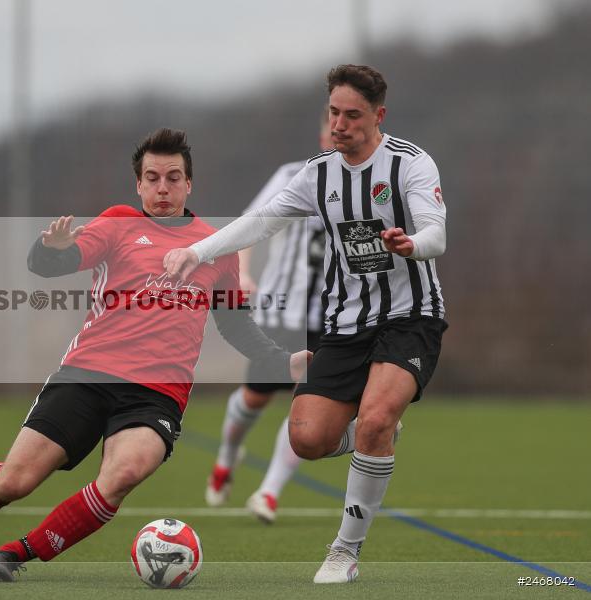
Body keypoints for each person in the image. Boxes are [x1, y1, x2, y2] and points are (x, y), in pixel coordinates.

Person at [0, 128, 310, 582]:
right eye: (152, 178)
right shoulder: (116, 223)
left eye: (173, 178)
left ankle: (14, 554)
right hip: (87, 374)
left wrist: (282, 361)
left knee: (124, 473)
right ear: (139, 184)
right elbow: (54, 263)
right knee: (16, 481)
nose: (163, 188)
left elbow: (235, 325)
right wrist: (48, 249)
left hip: (157, 394)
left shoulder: (216, 246)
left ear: (189, 184)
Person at [164, 65, 448, 584]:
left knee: (378, 417)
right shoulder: (317, 174)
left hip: (410, 318)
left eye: (352, 114)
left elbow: (437, 235)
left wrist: (412, 244)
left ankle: (344, 550)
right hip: (343, 323)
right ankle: (371, 436)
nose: (339, 123)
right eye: (334, 112)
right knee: (307, 439)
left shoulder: (411, 164)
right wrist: (196, 252)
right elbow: (261, 221)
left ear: (378, 116)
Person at [206, 109, 333, 525]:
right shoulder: (294, 175)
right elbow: (251, 226)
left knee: (308, 402)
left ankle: (269, 492)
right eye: (333, 128)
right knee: (256, 397)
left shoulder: (371, 187)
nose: (341, 135)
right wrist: (242, 273)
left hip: (332, 318)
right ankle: (228, 455)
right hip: (281, 309)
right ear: (322, 137)